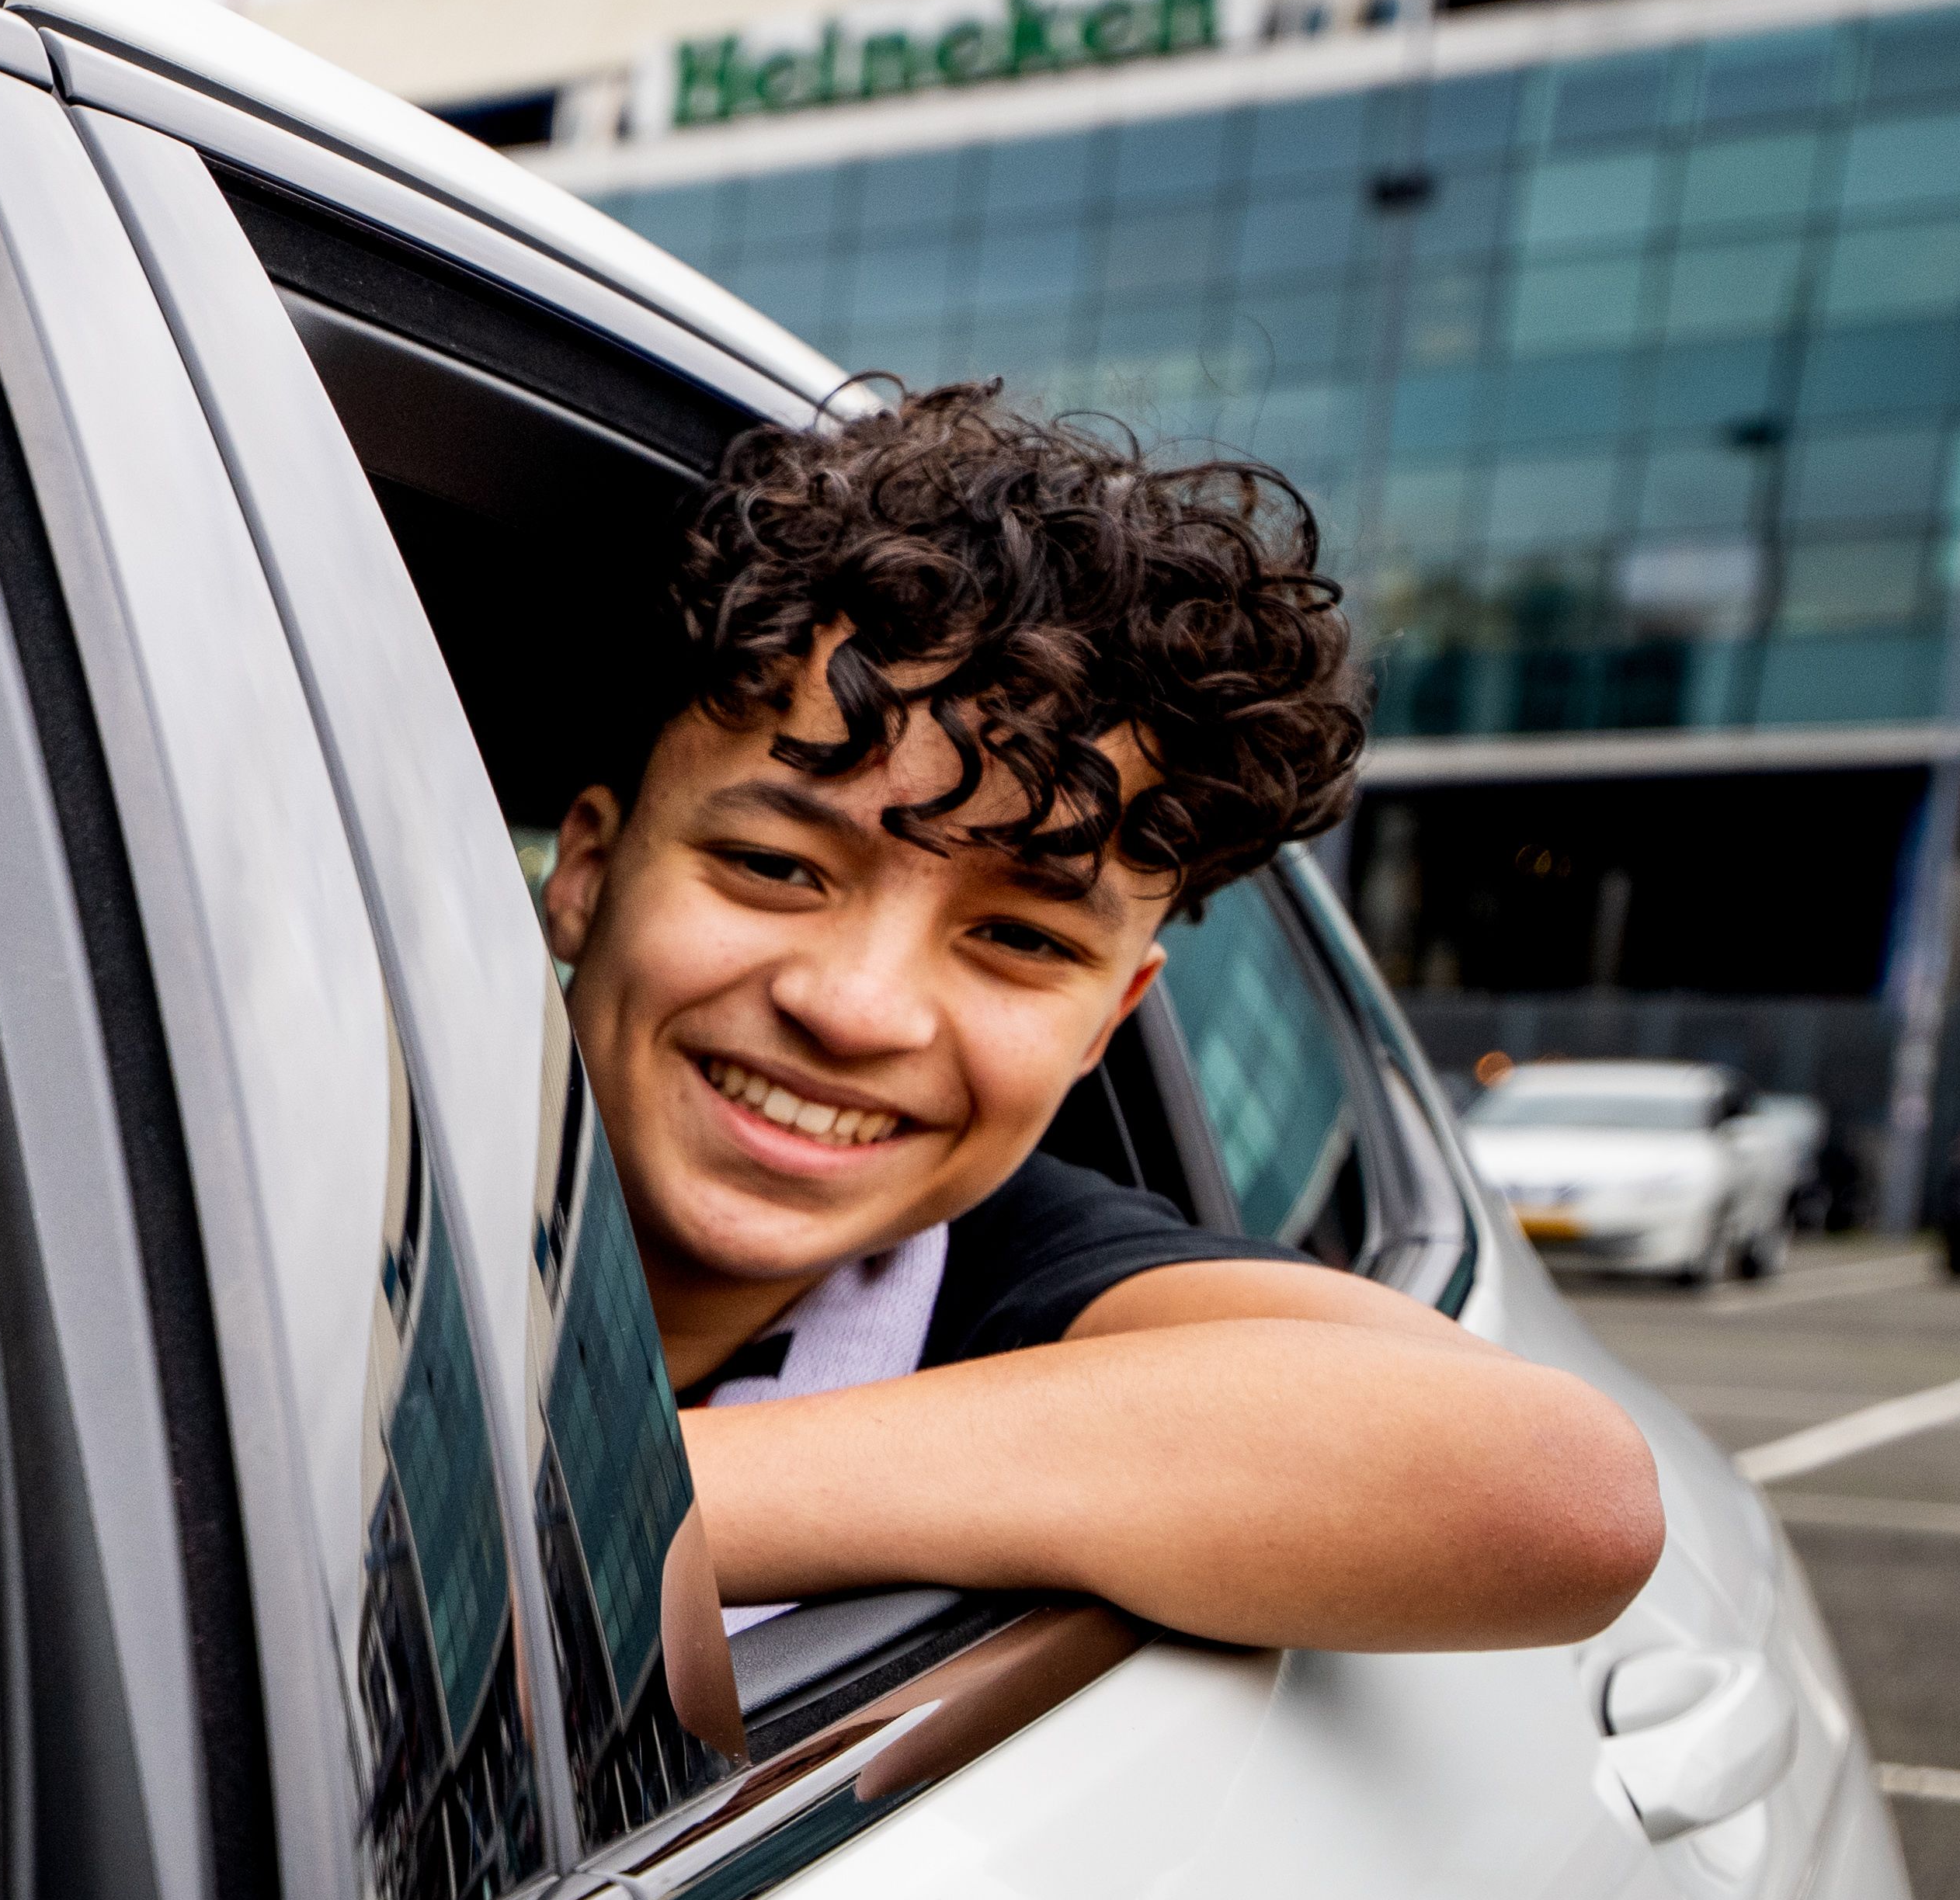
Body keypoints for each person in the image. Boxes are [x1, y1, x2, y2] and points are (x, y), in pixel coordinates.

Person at [544, 384, 1660, 1650]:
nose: (856, 1011)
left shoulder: (1023, 1285)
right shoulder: (354, 1141)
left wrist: (580, 1506)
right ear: (584, 873)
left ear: (1102, 1025)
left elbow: (1558, 1489)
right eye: (774, 868)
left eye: (1021, 939)